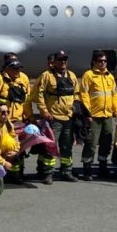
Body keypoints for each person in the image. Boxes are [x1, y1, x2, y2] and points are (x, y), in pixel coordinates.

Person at [36, 51, 81, 182]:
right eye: (60, 60)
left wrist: (76, 106)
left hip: (68, 117)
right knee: (51, 146)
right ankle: (48, 173)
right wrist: (44, 111)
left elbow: (77, 93)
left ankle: (66, 171)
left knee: (67, 146)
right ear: (54, 62)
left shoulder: (71, 75)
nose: (63, 62)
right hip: (53, 118)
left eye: (65, 60)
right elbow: (39, 95)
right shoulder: (46, 76)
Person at [80, 51, 117, 180]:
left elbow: (114, 95)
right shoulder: (89, 75)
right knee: (91, 143)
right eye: (100, 61)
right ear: (94, 62)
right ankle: (87, 168)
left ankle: (102, 167)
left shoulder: (110, 77)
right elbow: (84, 95)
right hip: (94, 116)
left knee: (107, 142)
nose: (103, 63)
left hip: (107, 115)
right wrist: (87, 113)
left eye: (104, 61)